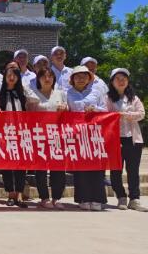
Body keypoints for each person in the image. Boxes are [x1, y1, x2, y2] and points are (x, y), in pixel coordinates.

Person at [67, 65, 107, 211]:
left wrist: (95, 109)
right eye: (77, 76)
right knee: (80, 168)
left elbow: (105, 109)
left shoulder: (96, 92)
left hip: (95, 134)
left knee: (97, 168)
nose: (81, 79)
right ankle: (83, 198)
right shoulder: (67, 93)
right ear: (72, 79)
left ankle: (97, 199)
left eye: (84, 76)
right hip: (77, 134)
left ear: (89, 78)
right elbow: (66, 111)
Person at [26, 67, 68, 209]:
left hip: (57, 135)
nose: (47, 79)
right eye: (44, 76)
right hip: (39, 135)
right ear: (38, 79)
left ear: (54, 79)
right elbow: (29, 114)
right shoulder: (33, 94)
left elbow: (67, 112)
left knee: (58, 168)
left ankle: (57, 197)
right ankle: (44, 197)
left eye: (50, 76)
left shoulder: (60, 93)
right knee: (41, 169)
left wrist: (64, 108)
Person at [106, 68, 147, 212]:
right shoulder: (108, 98)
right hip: (115, 139)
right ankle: (121, 197)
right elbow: (105, 114)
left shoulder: (134, 98)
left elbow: (141, 113)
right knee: (115, 170)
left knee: (133, 170)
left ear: (128, 81)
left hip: (133, 139)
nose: (121, 81)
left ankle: (134, 199)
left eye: (124, 78)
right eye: (117, 78)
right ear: (112, 82)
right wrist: (115, 115)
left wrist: (126, 115)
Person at [0, 66, 28, 208]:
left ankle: (20, 193)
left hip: (21, 132)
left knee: (21, 164)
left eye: (14, 75)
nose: (11, 77)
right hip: (5, 133)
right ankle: (10, 193)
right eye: (8, 74)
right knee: (7, 164)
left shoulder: (23, 93)